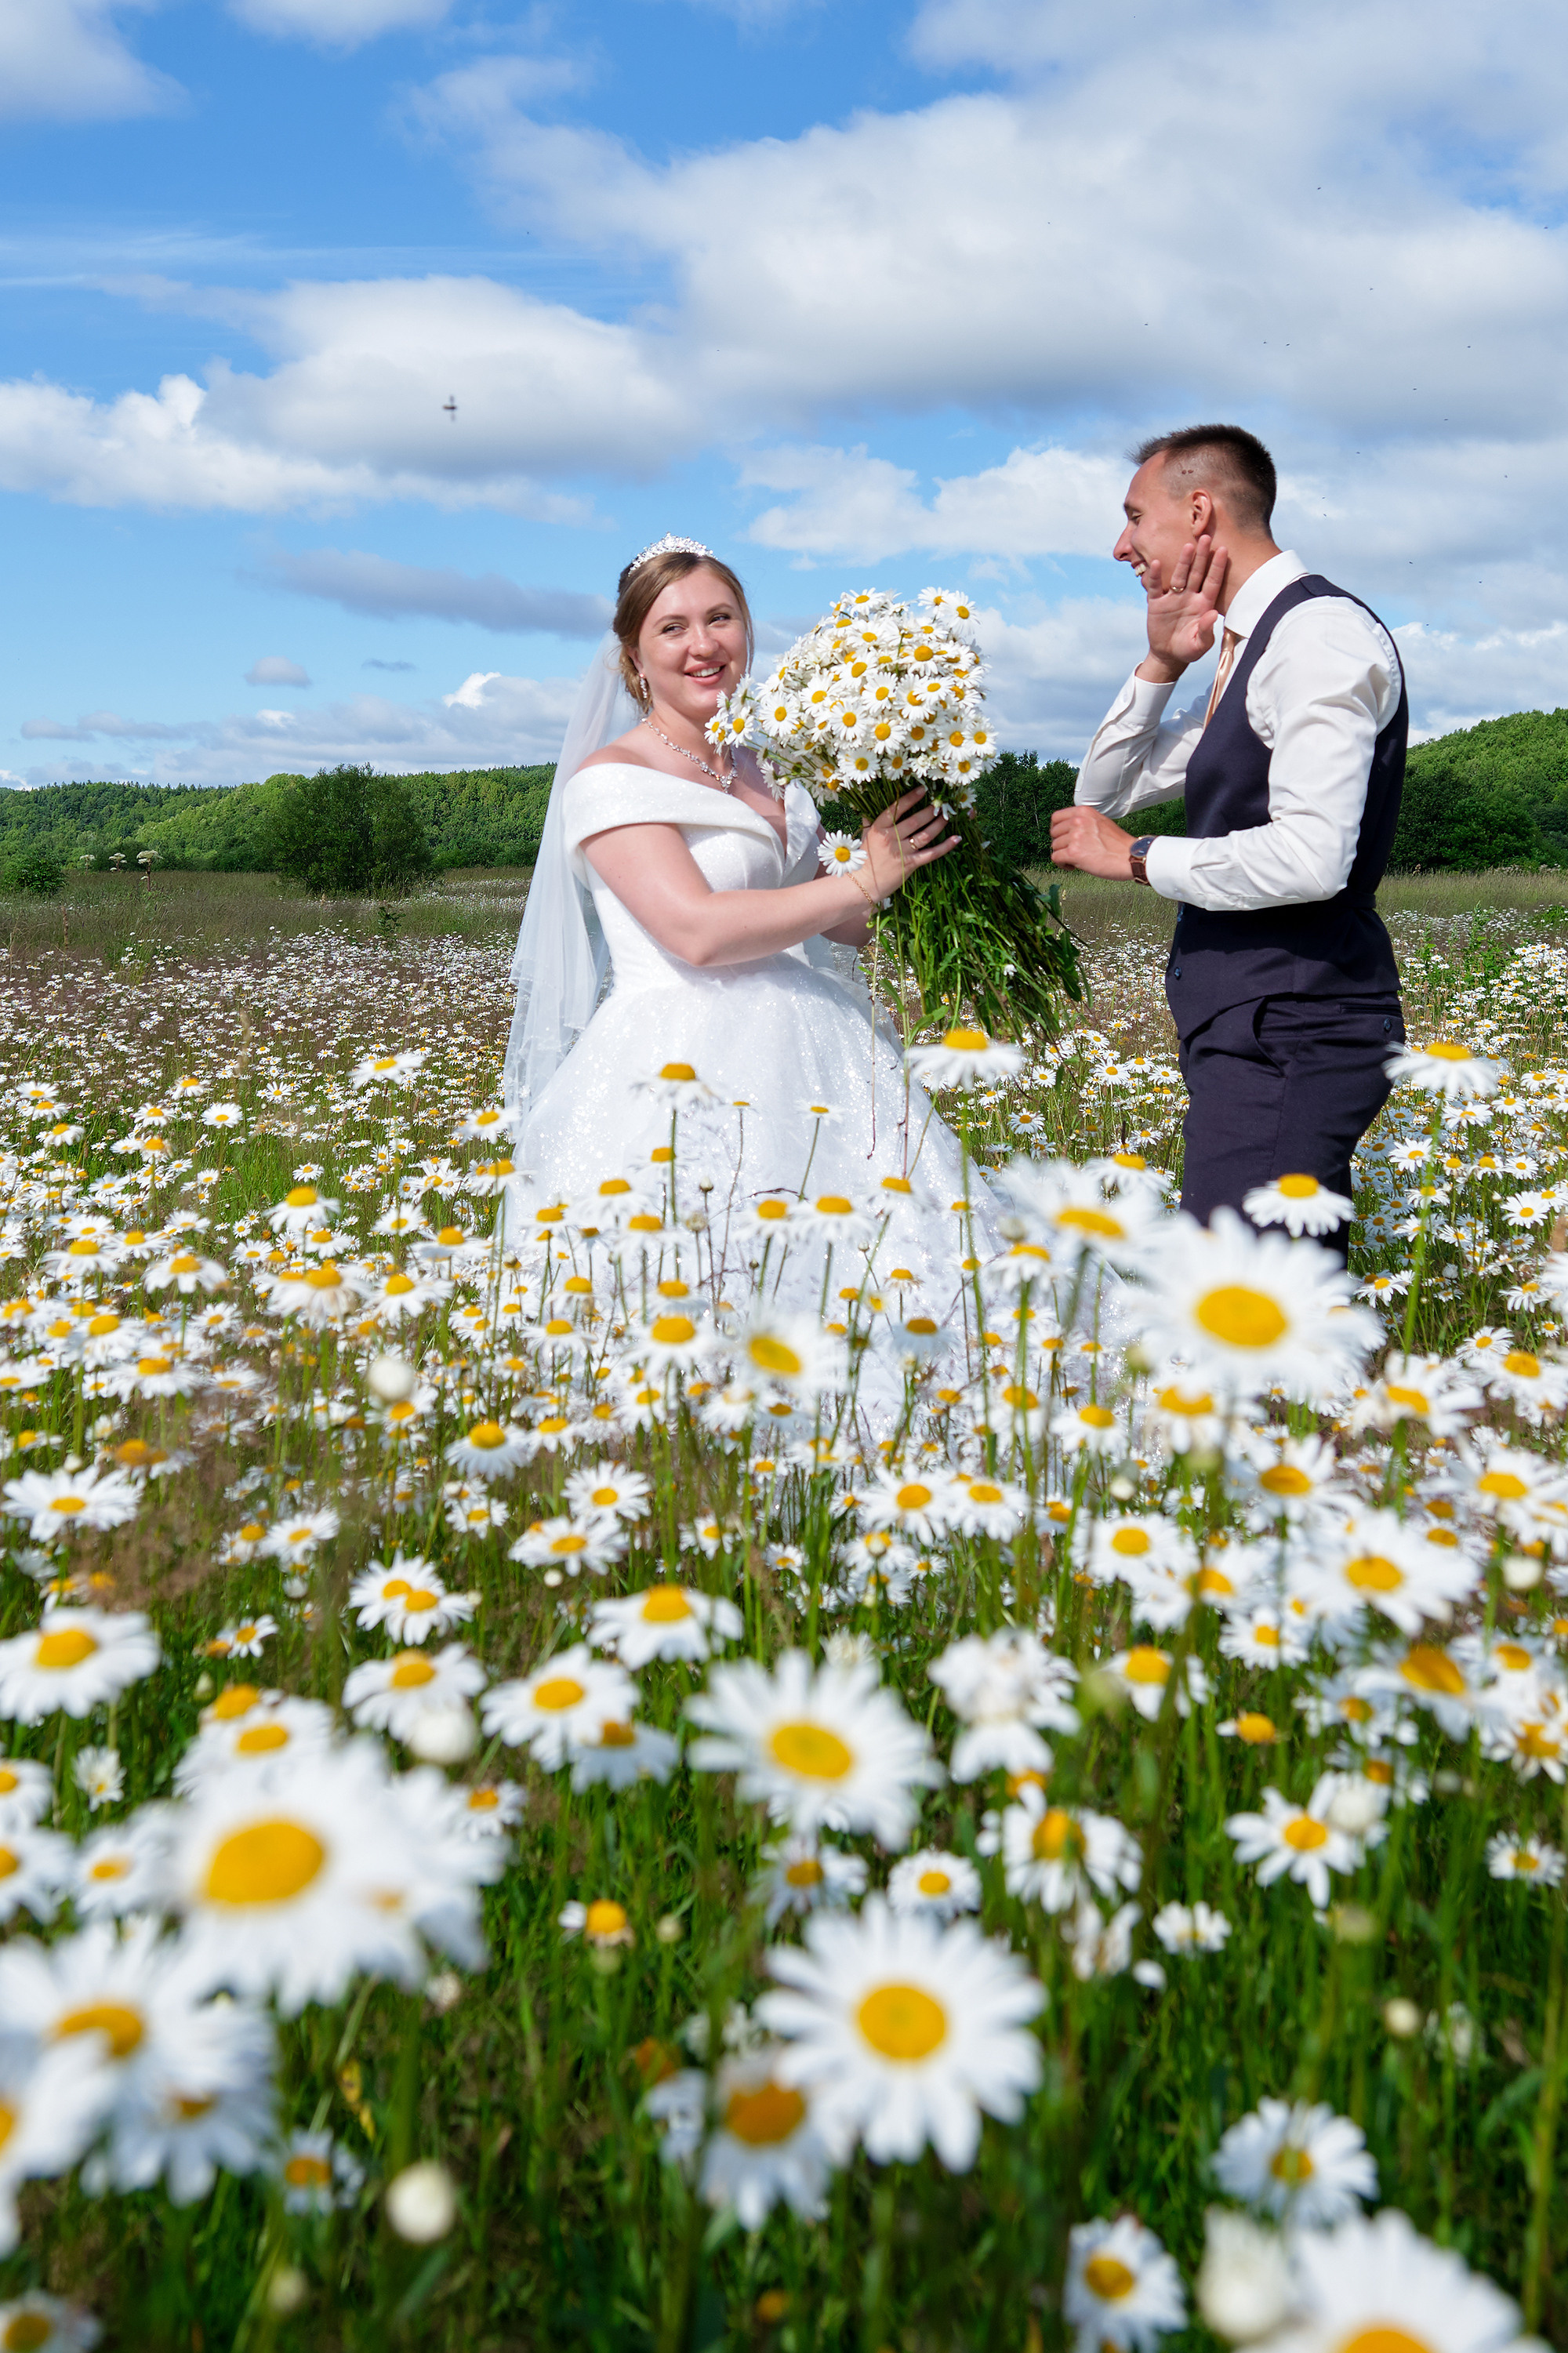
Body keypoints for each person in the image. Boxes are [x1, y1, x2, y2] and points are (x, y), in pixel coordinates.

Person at [502, 533, 995, 1310]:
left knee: (879, 1269)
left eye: (721, 618)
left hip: (818, 1043)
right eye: (672, 628)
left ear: (747, 630)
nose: (703, 645)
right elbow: (695, 932)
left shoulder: (778, 765)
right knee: (716, 1279)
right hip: (679, 1064)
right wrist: (864, 878)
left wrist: (911, 861)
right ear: (634, 655)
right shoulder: (611, 781)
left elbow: (836, 923)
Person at [1049, 424, 1406, 1257]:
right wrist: (1159, 663)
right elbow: (1099, 795)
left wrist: (1137, 858)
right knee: (1257, 1296)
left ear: (1198, 511)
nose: (1119, 545)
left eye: (1134, 517)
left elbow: (1312, 857)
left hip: (1296, 1021)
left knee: (1243, 1300)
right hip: (1256, 1020)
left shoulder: (1316, 635)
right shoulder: (1245, 645)